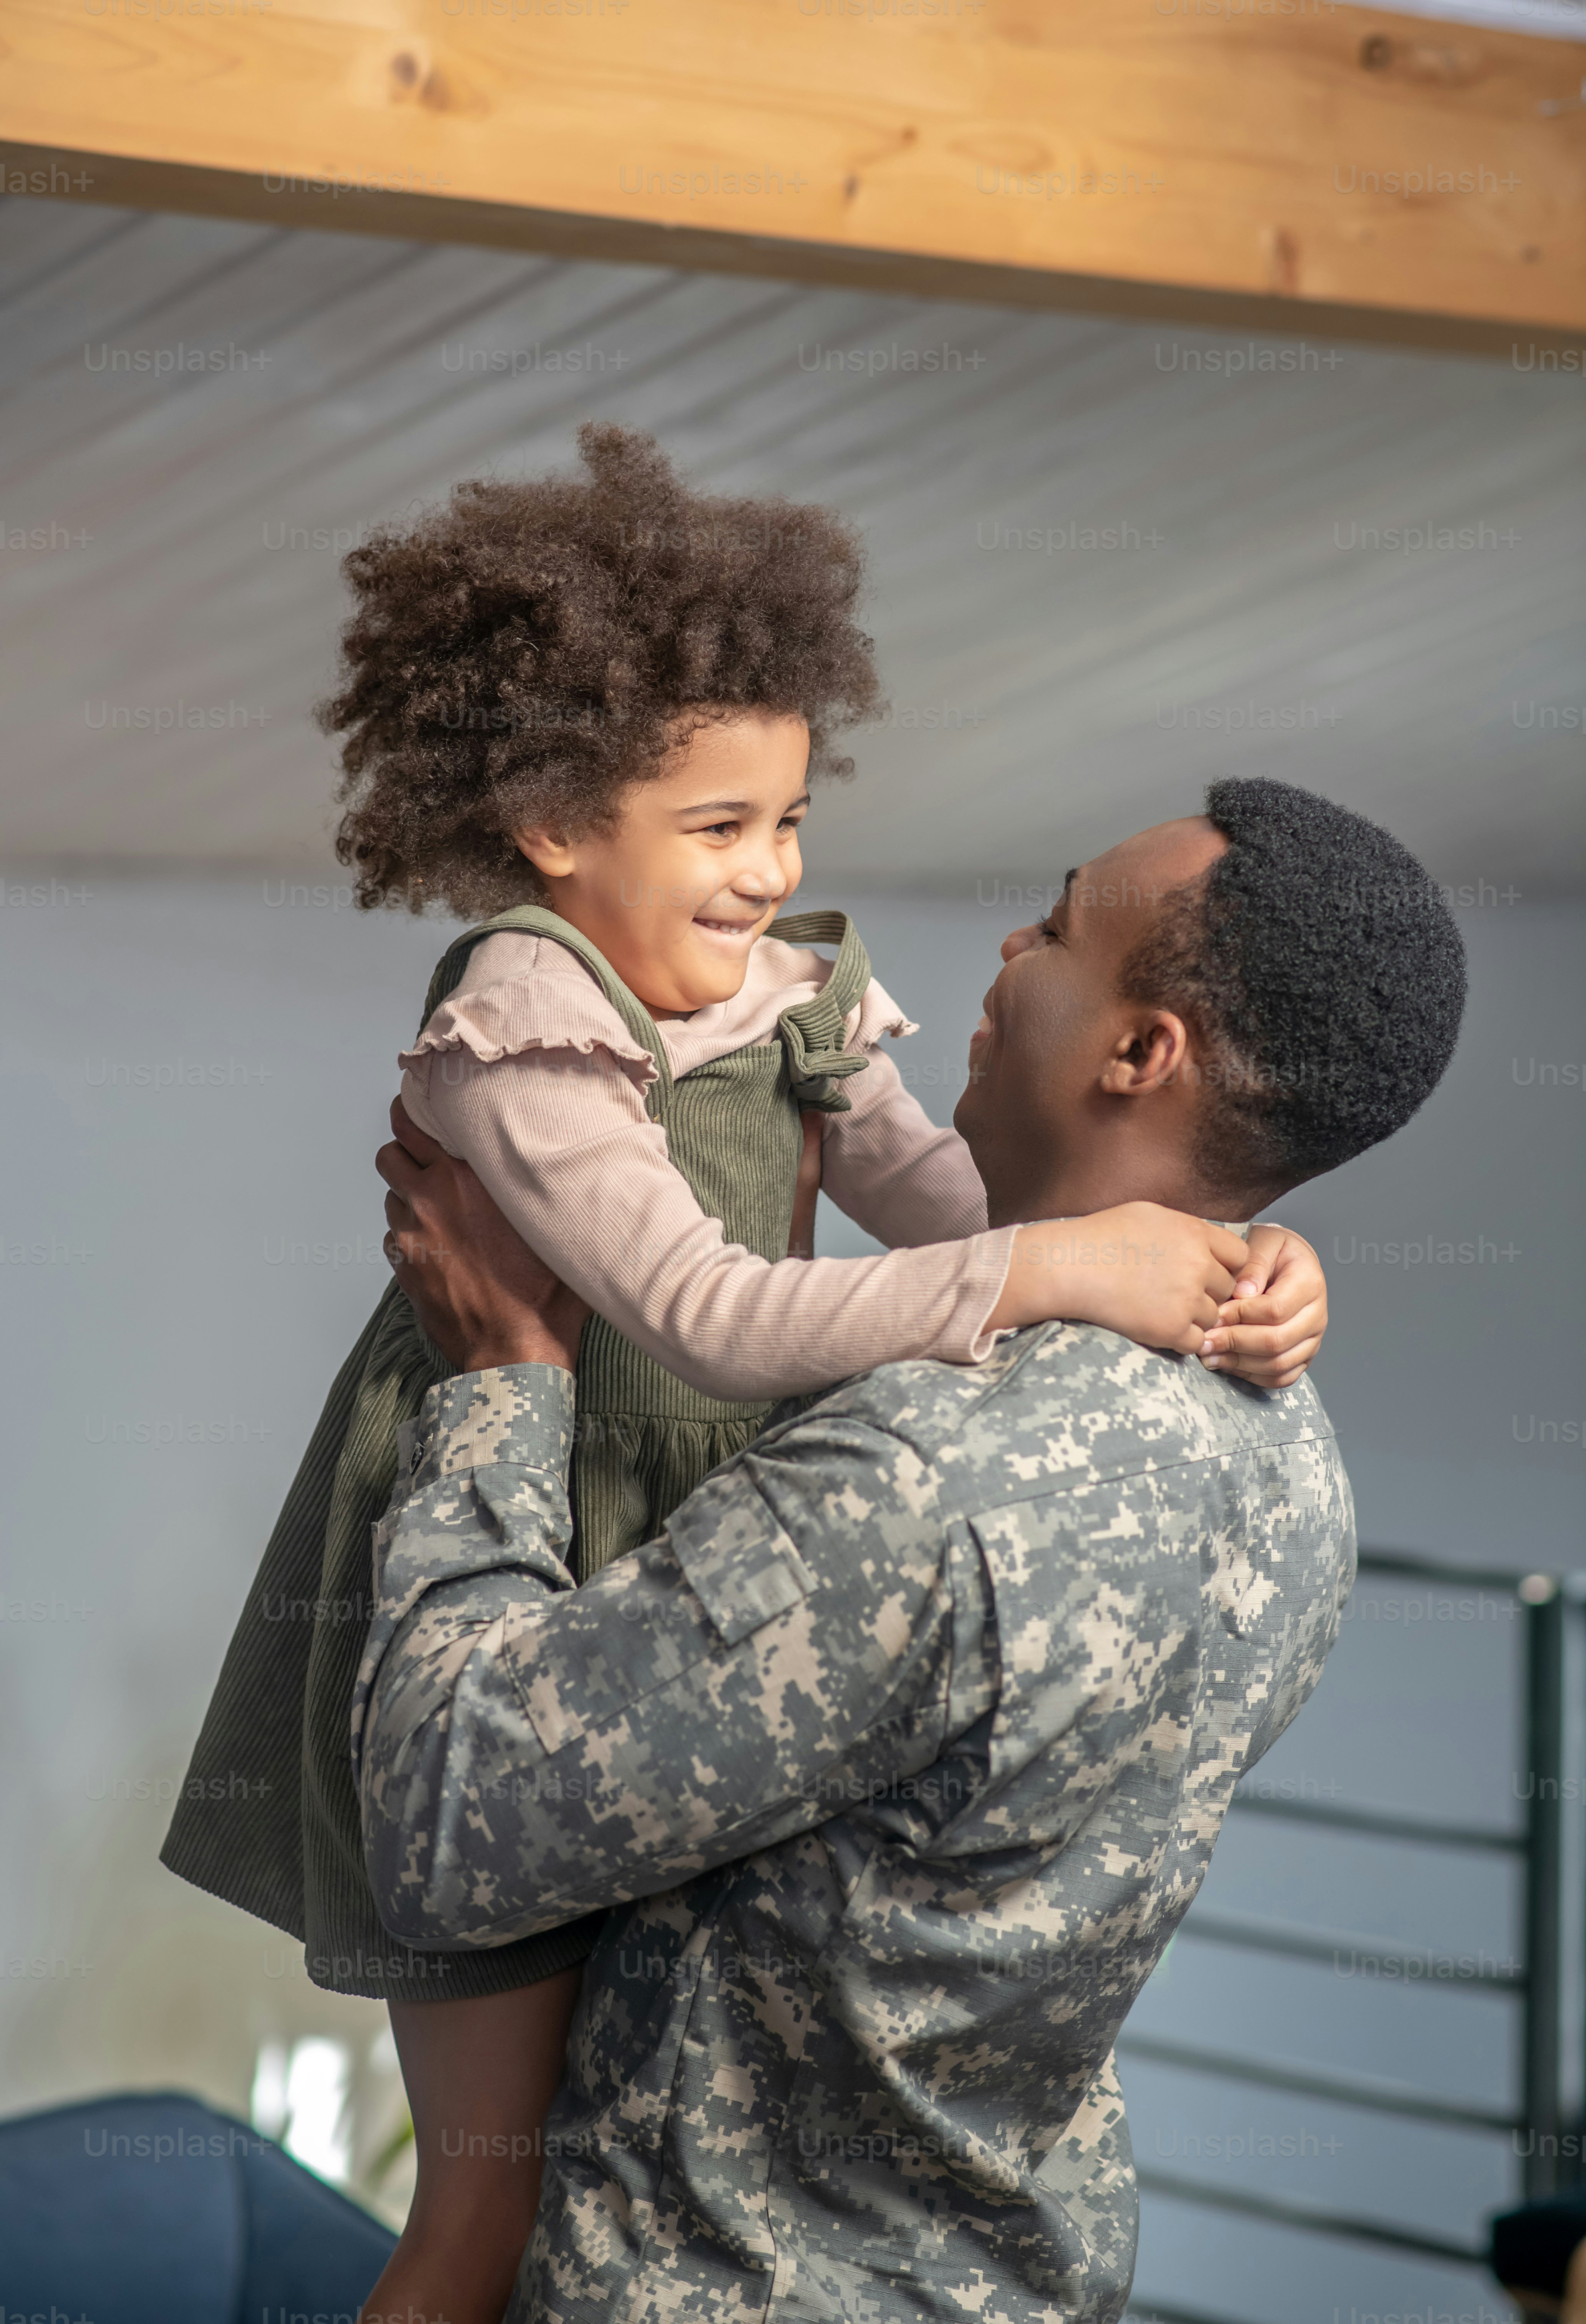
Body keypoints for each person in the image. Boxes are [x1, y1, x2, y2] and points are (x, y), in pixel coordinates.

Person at [160, 429, 1327, 2324]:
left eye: (787, 821)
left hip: (678, 1545)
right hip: (529, 1510)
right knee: (480, 2217)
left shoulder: (791, 991)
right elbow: (705, 1310)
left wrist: (1224, 1264)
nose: (772, 870)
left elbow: (962, 1209)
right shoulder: (525, 1026)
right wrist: (1070, 1264)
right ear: (556, 823)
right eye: (720, 829)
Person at [357, 776, 1467, 2324]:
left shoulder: (919, 1483)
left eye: (1059, 931)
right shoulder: (1289, 1448)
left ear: (1141, 1053)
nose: (1012, 948)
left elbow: (444, 1822)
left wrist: (502, 1381)